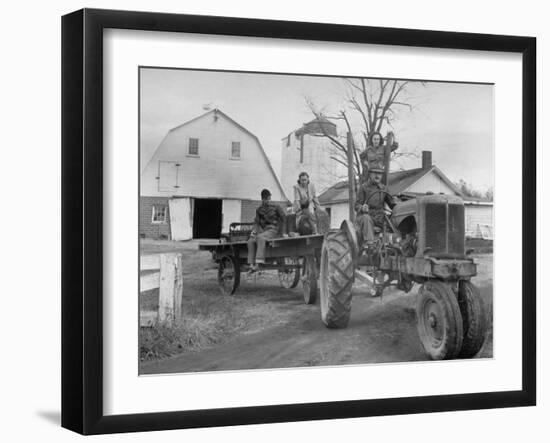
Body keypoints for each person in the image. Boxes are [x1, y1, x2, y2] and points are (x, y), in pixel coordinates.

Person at [355, 165, 396, 249]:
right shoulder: (363, 187)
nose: (377, 176)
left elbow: (392, 203)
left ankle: (396, 243)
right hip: (366, 216)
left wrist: (398, 203)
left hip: (379, 216)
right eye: (375, 173)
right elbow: (356, 205)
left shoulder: (384, 188)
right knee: (366, 218)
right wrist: (362, 208)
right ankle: (370, 244)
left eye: (380, 174)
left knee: (394, 220)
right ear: (370, 174)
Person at [247, 188, 286, 273]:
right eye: (266, 199)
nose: (268, 201)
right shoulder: (259, 210)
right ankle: (251, 265)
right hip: (264, 231)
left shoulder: (276, 207)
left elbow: (284, 218)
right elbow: (256, 223)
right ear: (262, 199)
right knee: (250, 241)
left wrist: (282, 232)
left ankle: (258, 264)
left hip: (273, 230)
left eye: (269, 199)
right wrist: (253, 232)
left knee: (260, 238)